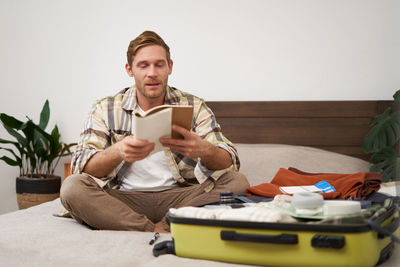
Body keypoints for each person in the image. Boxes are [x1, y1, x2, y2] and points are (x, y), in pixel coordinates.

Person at [60, 31, 249, 232]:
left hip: (182, 197)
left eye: (159, 64)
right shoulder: (105, 108)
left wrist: (204, 150)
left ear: (170, 67)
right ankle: (154, 229)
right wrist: (117, 151)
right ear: (129, 70)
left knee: (238, 183)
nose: (152, 73)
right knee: (72, 188)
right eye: (143, 65)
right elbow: (81, 167)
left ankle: (168, 221)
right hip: (123, 200)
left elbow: (230, 162)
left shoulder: (194, 105)